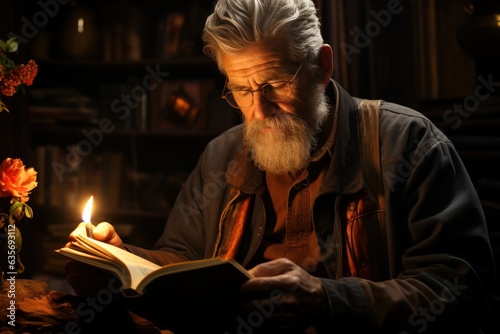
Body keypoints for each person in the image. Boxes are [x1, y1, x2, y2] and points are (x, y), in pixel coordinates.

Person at [65, 0, 496, 333]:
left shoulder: (407, 144)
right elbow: (183, 263)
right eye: (241, 89)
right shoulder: (220, 156)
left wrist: (327, 301)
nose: (260, 109)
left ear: (322, 67)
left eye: (274, 84)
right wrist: (120, 259)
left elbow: (461, 290)